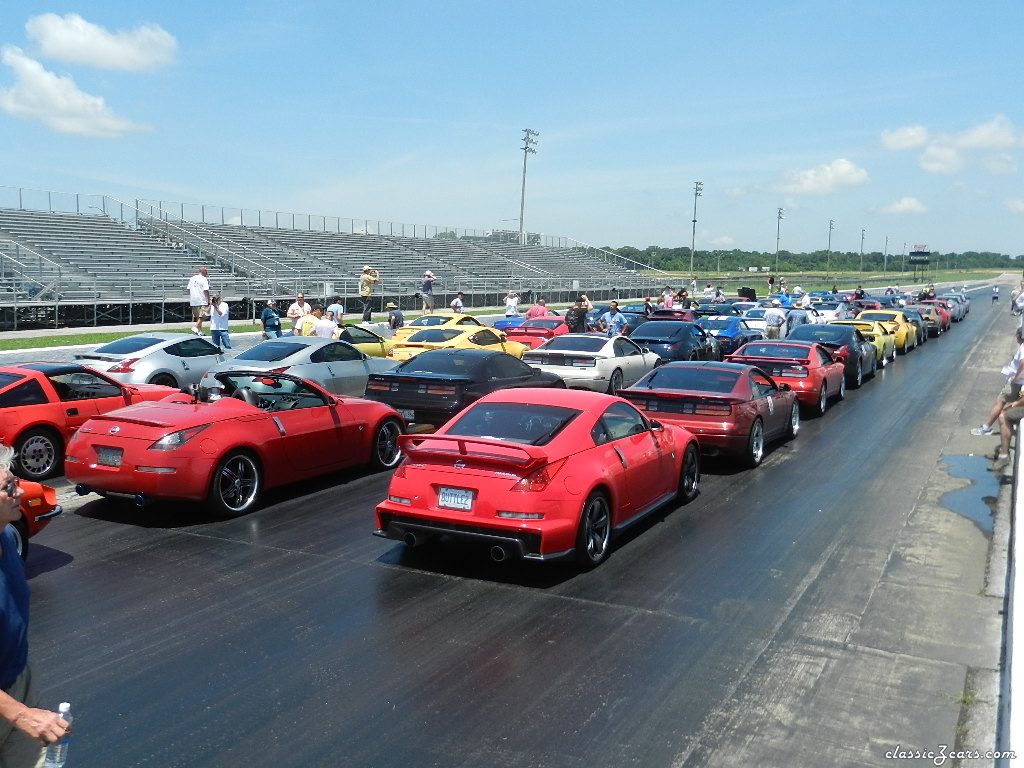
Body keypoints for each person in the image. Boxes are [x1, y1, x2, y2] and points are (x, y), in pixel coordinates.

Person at [0, 444, 72, 765]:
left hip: (18, 679)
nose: (18, 490)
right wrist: (21, 715)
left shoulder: (5, 537)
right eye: (7, 487)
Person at [972, 329, 1024, 436]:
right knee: (1015, 404)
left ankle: (986, 427)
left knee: (1000, 402)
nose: (1016, 337)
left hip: (1015, 384)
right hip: (1019, 384)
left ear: (1019, 336)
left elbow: (1023, 363)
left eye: (1016, 335)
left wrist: (1016, 377)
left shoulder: (1023, 348)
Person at [187, 266, 210, 336]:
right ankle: (195, 327)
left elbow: (188, 289)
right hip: (202, 300)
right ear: (202, 271)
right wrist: (208, 299)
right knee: (204, 316)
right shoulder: (204, 279)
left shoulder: (192, 278)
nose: (207, 273)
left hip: (194, 301)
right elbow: (206, 290)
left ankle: (199, 332)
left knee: (198, 317)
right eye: (206, 271)